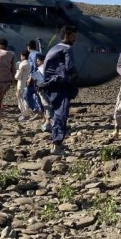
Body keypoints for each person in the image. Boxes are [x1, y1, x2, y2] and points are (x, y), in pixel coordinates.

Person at [42, 25, 79, 155]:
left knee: (57, 113)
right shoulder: (67, 49)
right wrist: (75, 82)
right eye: (74, 36)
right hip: (61, 85)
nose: (75, 39)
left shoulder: (54, 48)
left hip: (50, 86)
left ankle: (56, 142)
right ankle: (57, 144)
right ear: (68, 35)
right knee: (61, 114)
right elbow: (70, 68)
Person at [28, 53, 52, 132]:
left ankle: (48, 122)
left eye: (38, 61)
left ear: (43, 61)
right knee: (48, 104)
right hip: (49, 89)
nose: (37, 62)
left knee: (46, 104)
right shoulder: (50, 68)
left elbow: (37, 80)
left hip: (42, 89)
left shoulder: (40, 69)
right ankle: (48, 120)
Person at [15, 50, 33, 121]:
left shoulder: (22, 64)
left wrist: (15, 72)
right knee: (25, 97)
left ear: (23, 56)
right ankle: (26, 113)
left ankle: (25, 115)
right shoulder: (30, 63)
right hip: (28, 82)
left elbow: (17, 76)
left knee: (21, 98)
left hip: (21, 82)